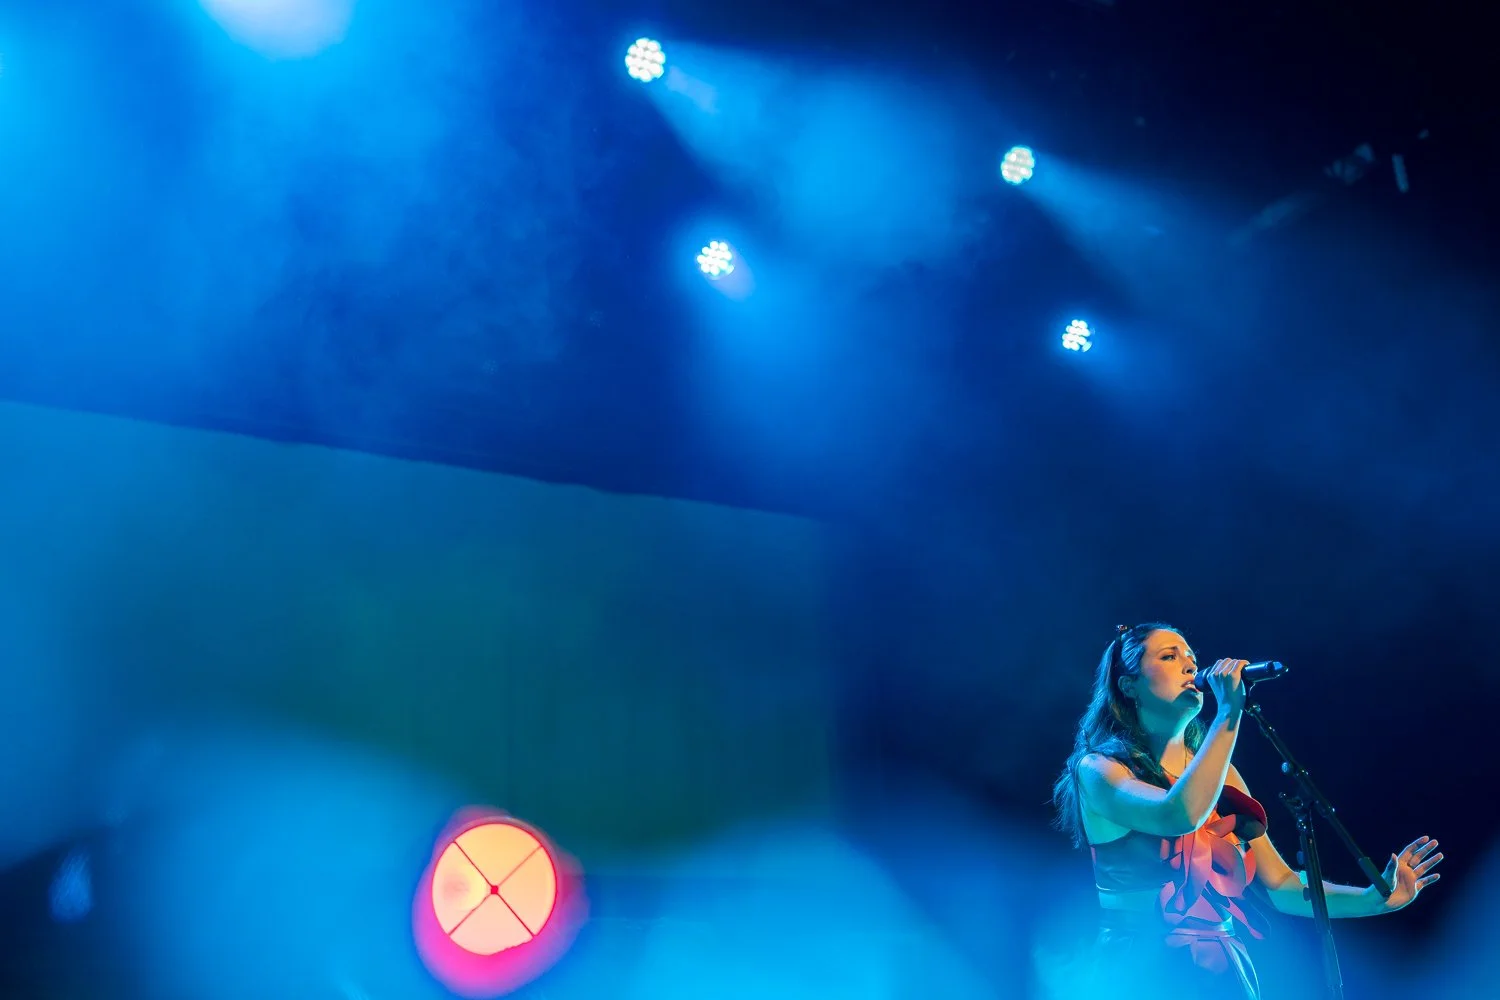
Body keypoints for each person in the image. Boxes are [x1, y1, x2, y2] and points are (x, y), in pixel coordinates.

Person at [1050, 623, 1444, 998]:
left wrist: (1374, 900)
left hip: (1222, 974)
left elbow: (1281, 885)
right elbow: (1177, 815)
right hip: (1142, 972)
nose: (1190, 666)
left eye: (1191, 657)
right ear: (1129, 685)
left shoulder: (1222, 775)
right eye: (1169, 657)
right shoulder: (1099, 770)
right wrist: (1228, 713)